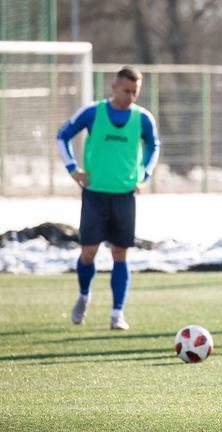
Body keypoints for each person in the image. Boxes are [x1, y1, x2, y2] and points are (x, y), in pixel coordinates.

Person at [56, 65, 160, 331]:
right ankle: (83, 295)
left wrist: (144, 175)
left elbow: (153, 146)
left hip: (124, 195)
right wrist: (73, 170)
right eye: (126, 90)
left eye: (134, 91)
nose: (130, 96)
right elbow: (62, 136)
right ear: (114, 87)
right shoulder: (93, 112)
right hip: (95, 194)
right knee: (88, 252)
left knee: (119, 253)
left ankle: (117, 314)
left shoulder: (143, 118)